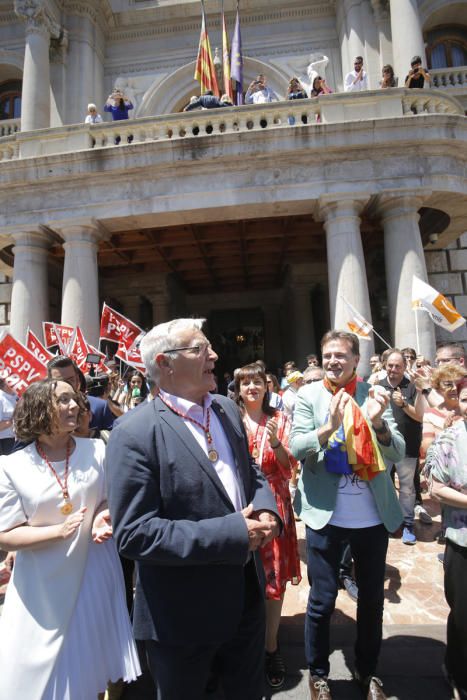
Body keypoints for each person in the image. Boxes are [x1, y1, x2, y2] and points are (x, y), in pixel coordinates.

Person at [105, 318, 281, 700]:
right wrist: (233, 533)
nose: (214, 355)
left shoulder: (224, 409)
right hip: (181, 616)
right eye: (199, 349)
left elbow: (248, 471)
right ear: (165, 364)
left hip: (245, 601)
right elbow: (134, 534)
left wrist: (268, 509)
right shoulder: (133, 433)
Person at [0, 379, 140, 699]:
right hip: (41, 582)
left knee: (90, 658)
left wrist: (103, 516)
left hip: (95, 570)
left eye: (74, 399)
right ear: (38, 410)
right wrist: (58, 531)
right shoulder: (11, 467)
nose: (75, 405)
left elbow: (108, 500)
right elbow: (5, 535)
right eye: (63, 400)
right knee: (44, 671)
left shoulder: (98, 450)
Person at [290, 330, 404, 700]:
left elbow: (397, 452)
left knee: (371, 602)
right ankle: (319, 674)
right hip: (327, 518)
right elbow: (297, 446)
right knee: (322, 602)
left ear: (356, 359)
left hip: (371, 519)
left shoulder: (374, 393)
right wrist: (330, 428)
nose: (334, 361)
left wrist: (380, 423)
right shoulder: (308, 395)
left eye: (341, 355)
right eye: (328, 356)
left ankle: (368, 672)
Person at [235, 363, 301, 689]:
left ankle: (270, 646)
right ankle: (241, 644)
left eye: (256, 381)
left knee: (274, 582)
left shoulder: (280, 421)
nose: (251, 387)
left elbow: (290, 469)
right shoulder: (227, 420)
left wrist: (276, 444)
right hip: (238, 507)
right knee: (240, 578)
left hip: (273, 506)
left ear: (266, 386)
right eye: (245, 382)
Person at [430, 380, 467, 700]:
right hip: (462, 539)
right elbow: (436, 488)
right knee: (464, 614)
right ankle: (458, 673)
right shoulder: (449, 440)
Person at [379, 350, 423, 545]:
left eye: (398, 366)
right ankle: (387, 522)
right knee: (384, 486)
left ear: (405, 367)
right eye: (390, 365)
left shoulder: (412, 387)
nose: (393, 369)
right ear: (385, 366)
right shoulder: (377, 387)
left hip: (408, 446)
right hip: (384, 446)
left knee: (407, 488)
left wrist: (404, 404)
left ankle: (407, 524)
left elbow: (420, 416)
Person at [47, 356, 115, 431]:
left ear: (77, 379)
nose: (66, 385)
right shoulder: (43, 412)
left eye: (70, 380)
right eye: (60, 381)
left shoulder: (100, 407)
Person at [0, 378, 18, 455]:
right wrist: (13, 420)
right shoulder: (1, 398)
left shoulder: (16, 396)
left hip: (15, 439)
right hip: (3, 442)